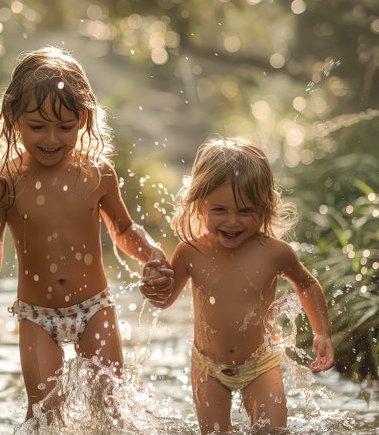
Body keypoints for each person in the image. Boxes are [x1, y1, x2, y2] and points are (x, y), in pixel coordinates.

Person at [0, 47, 173, 422]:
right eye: (37, 127)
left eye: (65, 127)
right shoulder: (4, 183)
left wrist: (153, 255)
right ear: (14, 119)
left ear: (84, 118)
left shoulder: (97, 174)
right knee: (45, 414)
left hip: (94, 307)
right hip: (35, 315)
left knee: (108, 407)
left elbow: (123, 230)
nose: (51, 139)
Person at [141, 137, 334, 433]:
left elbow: (306, 285)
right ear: (199, 204)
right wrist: (155, 288)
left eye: (246, 211)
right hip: (208, 367)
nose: (233, 222)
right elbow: (165, 300)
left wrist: (322, 332)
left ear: (265, 207)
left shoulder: (274, 252)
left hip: (261, 364)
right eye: (220, 210)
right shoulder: (190, 252)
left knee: (273, 431)